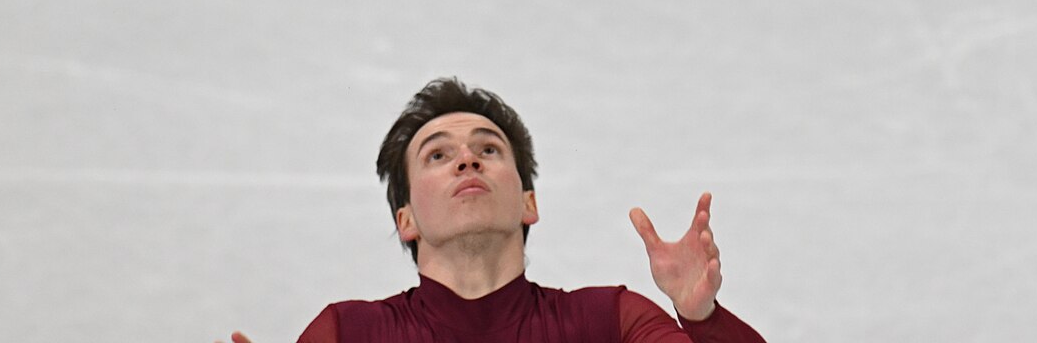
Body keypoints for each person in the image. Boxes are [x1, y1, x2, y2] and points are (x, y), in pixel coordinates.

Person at [220, 78, 769, 343]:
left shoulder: (608, 322)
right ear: (405, 218)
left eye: (488, 149)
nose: (466, 160)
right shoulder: (350, 331)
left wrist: (704, 320)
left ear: (528, 202)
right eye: (438, 155)